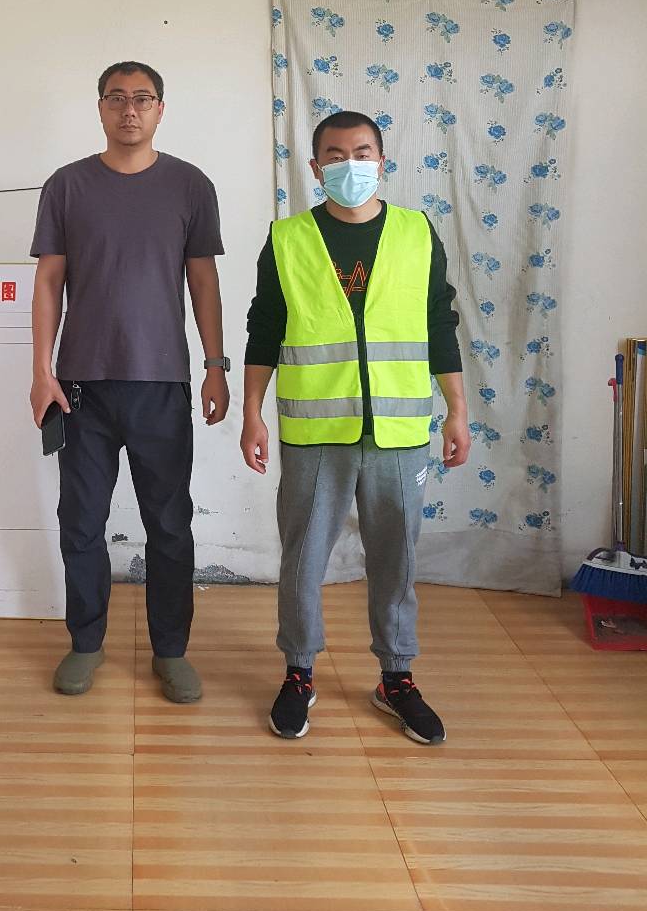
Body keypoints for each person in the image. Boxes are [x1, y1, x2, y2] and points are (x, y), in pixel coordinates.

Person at [240, 110, 468, 744]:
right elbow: (265, 327)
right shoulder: (288, 239)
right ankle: (299, 672)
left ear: (382, 160)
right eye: (336, 156)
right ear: (316, 168)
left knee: (397, 557)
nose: (351, 165)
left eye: (362, 153)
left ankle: (396, 676)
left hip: (399, 430)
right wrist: (252, 412)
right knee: (303, 557)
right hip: (316, 431)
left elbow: (439, 324)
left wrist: (457, 409)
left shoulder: (417, 233)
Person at [30, 61, 229, 703]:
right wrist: (41, 371)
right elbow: (48, 281)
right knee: (81, 523)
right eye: (116, 98)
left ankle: (171, 651)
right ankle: (86, 643)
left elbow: (203, 281)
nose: (129, 110)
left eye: (142, 98)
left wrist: (216, 365)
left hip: (161, 384)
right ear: (100, 108)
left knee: (169, 525)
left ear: (161, 109)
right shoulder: (67, 186)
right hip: (81, 387)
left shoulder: (190, 186)